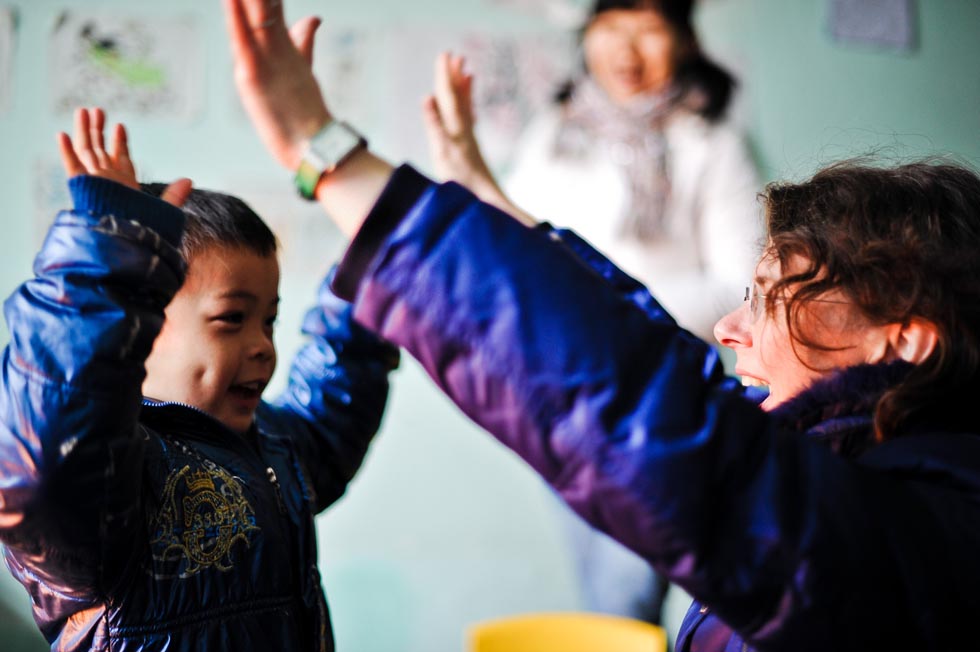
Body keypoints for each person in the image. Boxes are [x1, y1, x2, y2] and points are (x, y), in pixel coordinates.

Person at [223, 0, 980, 649]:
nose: (728, 327)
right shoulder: (855, 452)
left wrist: (329, 156)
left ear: (906, 337)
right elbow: (639, 339)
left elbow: (634, 395)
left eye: (773, 297)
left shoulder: (915, 524)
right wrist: (487, 194)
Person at [0, 107, 399, 651]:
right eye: (232, 319)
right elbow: (47, 456)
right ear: (140, 330)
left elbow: (333, 408)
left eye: (269, 319)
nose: (263, 344)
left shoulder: (272, 444)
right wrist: (106, 266)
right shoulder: (109, 480)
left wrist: (371, 270)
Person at [423, 0, 761, 627]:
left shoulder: (710, 142)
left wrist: (604, 306)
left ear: (683, 39)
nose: (626, 52)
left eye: (648, 29)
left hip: (658, 394)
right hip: (555, 386)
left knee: (627, 591)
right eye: (612, 28)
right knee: (604, 590)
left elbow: (742, 288)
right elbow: (514, 241)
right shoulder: (557, 129)